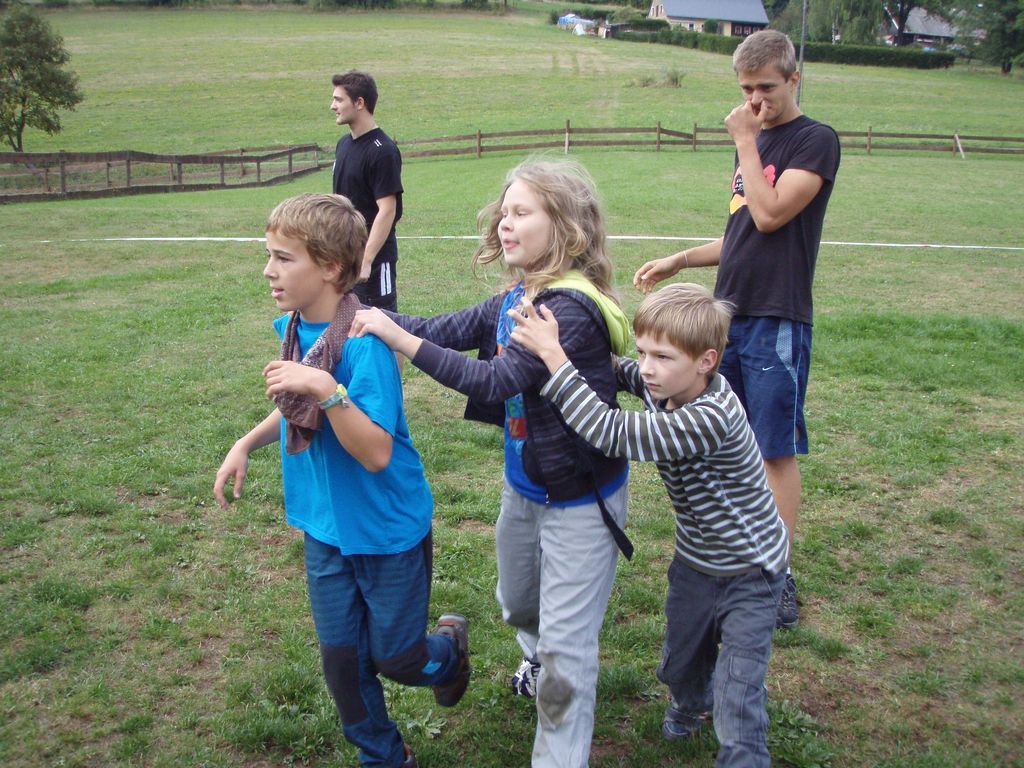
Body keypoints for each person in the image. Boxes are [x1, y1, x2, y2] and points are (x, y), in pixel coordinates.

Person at [349, 159, 633, 768]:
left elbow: (494, 378)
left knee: (568, 654)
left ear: (566, 227)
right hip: (525, 487)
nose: (505, 223)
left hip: (583, 501)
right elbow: (441, 328)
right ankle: (537, 652)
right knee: (517, 603)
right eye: (504, 212)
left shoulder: (567, 312)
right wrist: (363, 315)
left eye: (521, 212)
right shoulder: (515, 297)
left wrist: (398, 340)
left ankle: (557, 729)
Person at [213, 193, 469, 768]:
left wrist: (326, 390)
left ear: (330, 267)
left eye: (283, 258)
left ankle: (450, 652)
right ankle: (383, 756)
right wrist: (246, 442)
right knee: (343, 663)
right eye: (269, 256)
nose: (269, 270)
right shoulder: (296, 330)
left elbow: (375, 452)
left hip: (385, 531)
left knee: (399, 659)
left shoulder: (364, 344)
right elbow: (298, 406)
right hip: (326, 527)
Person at [509, 282, 788, 768]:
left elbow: (608, 430)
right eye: (643, 352)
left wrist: (555, 357)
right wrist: (586, 347)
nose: (648, 368)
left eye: (662, 357)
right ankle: (691, 700)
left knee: (739, 689)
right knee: (682, 660)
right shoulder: (667, 385)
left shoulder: (709, 417)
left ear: (706, 362)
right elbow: (621, 371)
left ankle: (743, 751)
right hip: (696, 562)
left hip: (752, 570)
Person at [633, 29, 841, 629]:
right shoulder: (754, 141)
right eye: (746, 89)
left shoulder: (815, 140)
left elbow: (771, 215)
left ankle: (777, 574)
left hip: (778, 316)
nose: (754, 101)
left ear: (794, 79)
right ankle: (735, 557)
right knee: (730, 439)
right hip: (729, 316)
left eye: (766, 88)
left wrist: (747, 140)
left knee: (773, 448)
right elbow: (742, 231)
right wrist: (680, 259)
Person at [331, 70, 403, 311]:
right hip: (345, 256)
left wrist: (366, 259)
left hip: (374, 262)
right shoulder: (343, 145)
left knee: (382, 323)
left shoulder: (383, 151)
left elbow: (388, 210)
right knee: (347, 322)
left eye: (338, 99)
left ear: (359, 102)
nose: (333, 106)